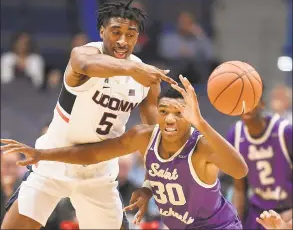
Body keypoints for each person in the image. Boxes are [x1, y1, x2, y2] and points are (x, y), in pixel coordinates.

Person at [0, 0, 177, 230]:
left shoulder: (145, 79)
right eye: (116, 32)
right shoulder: (84, 54)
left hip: (99, 173)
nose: (123, 40)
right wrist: (135, 68)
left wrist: (148, 185)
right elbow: (84, 64)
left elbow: (154, 140)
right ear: (102, 31)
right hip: (55, 162)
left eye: (130, 34)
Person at [2, 75, 248, 229]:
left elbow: (239, 169)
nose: (170, 119)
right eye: (164, 112)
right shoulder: (144, 137)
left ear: (190, 117)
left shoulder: (202, 146)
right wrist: (44, 154)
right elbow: (92, 154)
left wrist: (202, 123)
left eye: (179, 113)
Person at [227, 98, 292, 229]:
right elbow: (239, 188)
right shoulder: (235, 134)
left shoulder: (285, 131)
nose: (245, 105)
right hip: (259, 214)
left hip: (288, 210)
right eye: (240, 101)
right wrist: (234, 224)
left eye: (250, 99)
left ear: (262, 103)